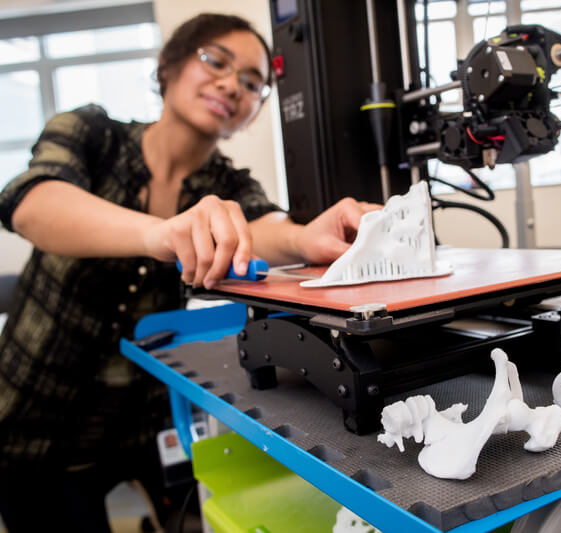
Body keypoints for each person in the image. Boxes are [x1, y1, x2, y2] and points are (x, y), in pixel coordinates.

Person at [0, 13, 377, 532]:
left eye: (252, 83)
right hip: (36, 424)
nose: (232, 86)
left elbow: (262, 225)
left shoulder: (224, 182)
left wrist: (303, 236)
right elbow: (32, 204)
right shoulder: (91, 132)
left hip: (146, 420)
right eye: (215, 61)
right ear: (169, 66)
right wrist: (160, 233)